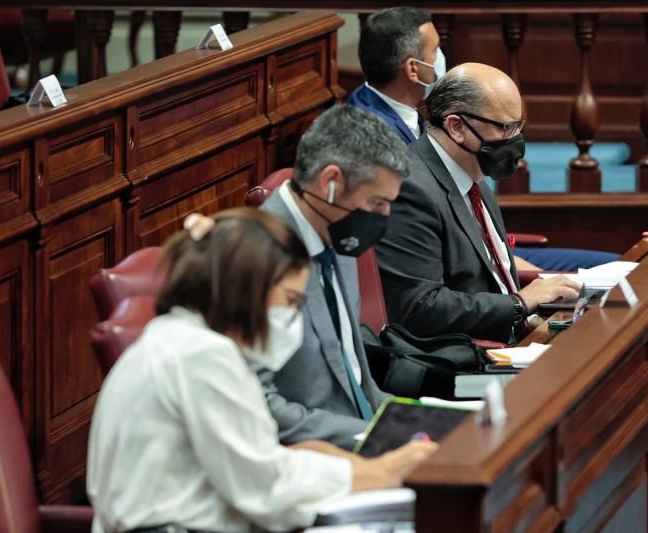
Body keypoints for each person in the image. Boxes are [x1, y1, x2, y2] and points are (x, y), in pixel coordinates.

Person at [87, 209, 436, 533]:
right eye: (292, 301)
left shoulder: (176, 337)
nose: (294, 317)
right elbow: (266, 489)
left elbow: (244, 467)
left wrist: (320, 461)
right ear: (247, 289)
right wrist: (380, 472)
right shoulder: (203, 355)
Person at [376, 63, 585, 343]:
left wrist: (533, 314)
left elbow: (495, 278)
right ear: (456, 126)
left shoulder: (472, 173)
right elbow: (420, 308)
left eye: (519, 125)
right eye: (506, 127)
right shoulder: (410, 189)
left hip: (512, 335)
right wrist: (519, 303)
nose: (516, 139)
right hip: (469, 355)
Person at [259, 104, 410, 449]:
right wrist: (367, 436)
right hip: (311, 456)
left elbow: (355, 378)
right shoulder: (256, 257)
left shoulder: (336, 233)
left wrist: (414, 421)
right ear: (330, 182)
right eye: (377, 203)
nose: (384, 217)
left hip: (364, 434)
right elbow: (258, 405)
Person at [347, 7, 445, 145]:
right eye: (435, 49)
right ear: (413, 69)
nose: (440, 56)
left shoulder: (365, 95)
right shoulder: (378, 140)